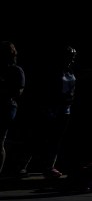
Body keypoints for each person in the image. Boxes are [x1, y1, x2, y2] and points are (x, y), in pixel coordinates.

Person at [19, 45, 77, 179]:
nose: (72, 60)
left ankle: (49, 166)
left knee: (56, 140)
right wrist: (46, 107)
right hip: (50, 109)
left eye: (73, 58)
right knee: (38, 138)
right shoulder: (51, 72)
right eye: (70, 57)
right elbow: (44, 91)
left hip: (65, 110)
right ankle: (22, 166)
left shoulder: (70, 71)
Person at [1, 42, 25, 176]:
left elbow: (18, 92)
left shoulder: (16, 70)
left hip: (6, 107)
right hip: (6, 106)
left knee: (0, 141)